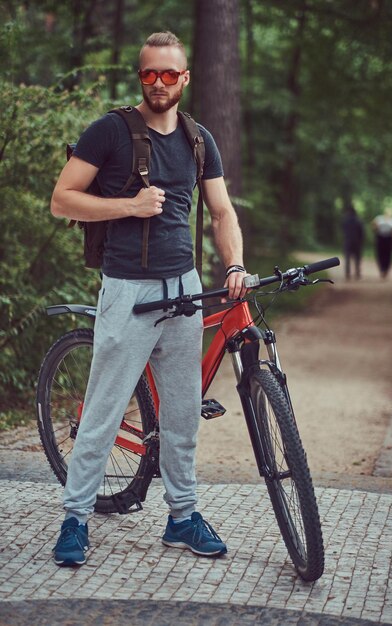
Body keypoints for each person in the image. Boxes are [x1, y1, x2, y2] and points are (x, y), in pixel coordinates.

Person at [50, 31, 248, 566]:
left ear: (185, 78)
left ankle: (182, 518)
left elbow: (224, 212)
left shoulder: (200, 139)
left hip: (183, 288)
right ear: (140, 77)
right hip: (127, 290)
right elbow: (62, 199)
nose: (158, 83)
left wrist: (233, 263)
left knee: (182, 414)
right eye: (149, 74)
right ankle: (75, 519)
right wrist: (128, 207)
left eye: (169, 74)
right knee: (106, 411)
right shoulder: (110, 132)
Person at [372, 209, 392, 278]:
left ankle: (386, 269)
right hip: (380, 238)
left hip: (389, 239)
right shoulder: (379, 218)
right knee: (380, 254)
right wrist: (376, 227)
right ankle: (382, 269)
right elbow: (373, 225)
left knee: (388, 255)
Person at [341, 204, 364, 280]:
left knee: (347, 258)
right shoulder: (358, 221)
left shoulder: (345, 220)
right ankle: (357, 272)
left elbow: (343, 230)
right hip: (357, 241)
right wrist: (361, 240)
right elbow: (361, 232)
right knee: (357, 258)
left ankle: (347, 273)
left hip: (348, 241)